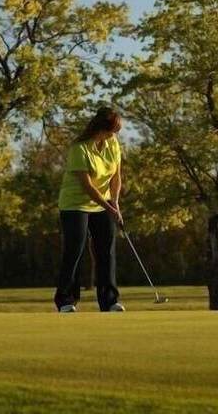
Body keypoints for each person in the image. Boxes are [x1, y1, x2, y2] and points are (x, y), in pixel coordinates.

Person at [54, 107, 125, 313]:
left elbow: (116, 176)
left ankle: (109, 301)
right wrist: (108, 206)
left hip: (103, 203)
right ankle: (66, 300)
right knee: (75, 250)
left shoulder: (112, 144)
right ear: (101, 128)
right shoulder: (79, 148)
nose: (114, 134)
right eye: (112, 130)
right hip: (75, 204)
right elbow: (87, 186)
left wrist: (116, 202)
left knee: (106, 251)